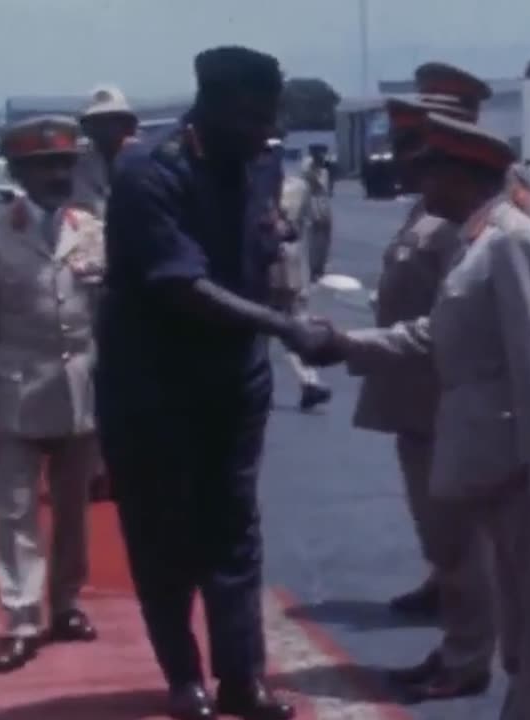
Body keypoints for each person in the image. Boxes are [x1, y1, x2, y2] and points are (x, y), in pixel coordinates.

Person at [96, 46, 330, 720]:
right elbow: (179, 283)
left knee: (234, 529)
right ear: (217, 107)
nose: (266, 131)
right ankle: (183, 679)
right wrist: (284, 329)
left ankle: (242, 679)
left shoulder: (259, 162)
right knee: (162, 531)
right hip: (151, 386)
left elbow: (263, 246)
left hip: (233, 377)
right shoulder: (148, 173)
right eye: (256, 117)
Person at [315, 113, 530, 716]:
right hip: (489, 457)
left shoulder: (510, 240)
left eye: (429, 170)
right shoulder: (477, 238)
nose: (418, 183)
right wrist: (350, 344)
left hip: (519, 464)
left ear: (460, 175)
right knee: (514, 613)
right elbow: (438, 332)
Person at [349, 92, 501, 694]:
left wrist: (348, 344)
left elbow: (454, 325)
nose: (407, 159)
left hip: (442, 402)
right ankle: (459, 645)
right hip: (416, 401)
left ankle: (468, 658)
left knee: (462, 544)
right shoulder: (428, 212)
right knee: (445, 542)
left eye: (420, 148)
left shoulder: (462, 225)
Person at [0, 116, 103, 674]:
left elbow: (105, 319)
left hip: (81, 393)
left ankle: (66, 605)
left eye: (65, 163)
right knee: (15, 512)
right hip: (15, 392)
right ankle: (22, 619)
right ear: (20, 172)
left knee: (74, 510)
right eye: (45, 165)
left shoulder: (92, 230)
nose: (57, 174)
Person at [73, 84, 139, 503]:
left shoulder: (146, 162)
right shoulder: (80, 165)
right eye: (95, 124)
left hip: (140, 282)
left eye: (109, 122)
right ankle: (98, 466)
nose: (102, 131)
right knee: (93, 375)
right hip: (93, 280)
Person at [268, 135, 331, 411]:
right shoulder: (299, 185)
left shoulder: (252, 186)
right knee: (293, 324)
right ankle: (310, 380)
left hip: (268, 263)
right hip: (292, 263)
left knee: (265, 325)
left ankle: (305, 382)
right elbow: (319, 223)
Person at [71, 85, 139, 217]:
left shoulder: (147, 161)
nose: (108, 129)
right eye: (98, 123)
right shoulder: (76, 166)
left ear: (129, 125)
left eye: (115, 121)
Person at [300, 143, 333, 281]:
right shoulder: (308, 168)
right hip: (312, 204)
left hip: (324, 205)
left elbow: (327, 190)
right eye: (318, 154)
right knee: (314, 239)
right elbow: (308, 178)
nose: (321, 157)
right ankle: (314, 268)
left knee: (325, 238)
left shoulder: (325, 172)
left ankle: (320, 266)